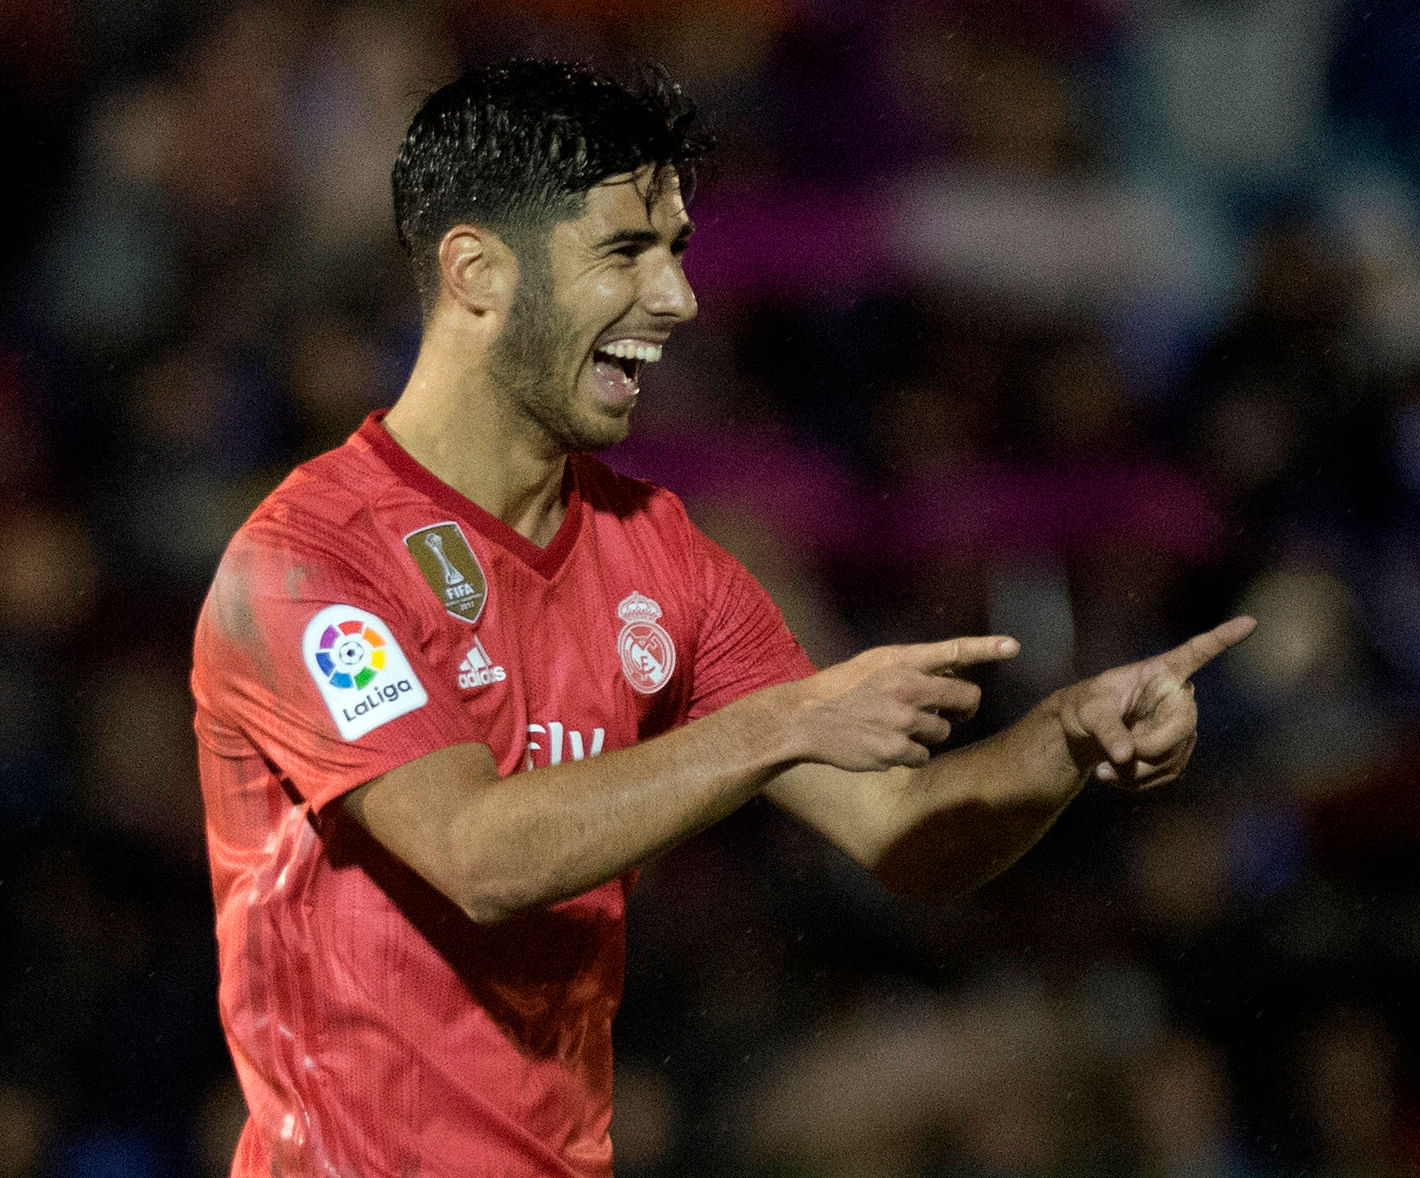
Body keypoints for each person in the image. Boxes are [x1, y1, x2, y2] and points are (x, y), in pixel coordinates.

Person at [190, 59, 1254, 1178]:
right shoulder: (308, 561)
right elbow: (475, 852)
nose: (678, 299)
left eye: (677, 251)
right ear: (475, 272)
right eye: (624, 252)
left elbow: (901, 832)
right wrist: (775, 725)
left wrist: (1062, 739)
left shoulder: (662, 557)